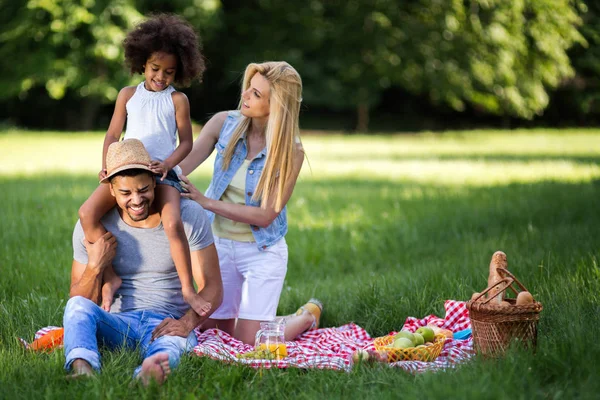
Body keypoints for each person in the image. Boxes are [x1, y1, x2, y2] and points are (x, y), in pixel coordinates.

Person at [178, 61, 322, 345]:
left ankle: (305, 318)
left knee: (249, 343)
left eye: (256, 94)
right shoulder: (223, 124)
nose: (245, 96)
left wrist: (206, 203)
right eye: (248, 89)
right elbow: (182, 166)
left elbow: (266, 215)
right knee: (212, 334)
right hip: (220, 245)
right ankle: (269, 322)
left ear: (277, 105)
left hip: (262, 251)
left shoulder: (290, 151)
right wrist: (144, 173)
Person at [77, 14, 211, 317]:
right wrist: (106, 167)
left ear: (180, 72)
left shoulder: (178, 100)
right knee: (87, 213)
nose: (161, 76)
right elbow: (113, 134)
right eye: (155, 69)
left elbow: (187, 142)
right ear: (142, 63)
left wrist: (167, 164)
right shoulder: (128, 95)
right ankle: (110, 275)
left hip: (162, 174)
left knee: (173, 222)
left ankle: (188, 289)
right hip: (125, 171)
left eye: (169, 72)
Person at [64, 138, 223, 385]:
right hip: (118, 323)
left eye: (144, 190)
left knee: (171, 344)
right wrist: (95, 267)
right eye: (126, 193)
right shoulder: (92, 227)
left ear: (155, 181)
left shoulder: (188, 215)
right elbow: (79, 297)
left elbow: (213, 287)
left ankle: (147, 375)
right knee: (76, 308)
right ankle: (83, 368)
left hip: (167, 322)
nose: (137, 200)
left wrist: (186, 323)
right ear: (111, 190)